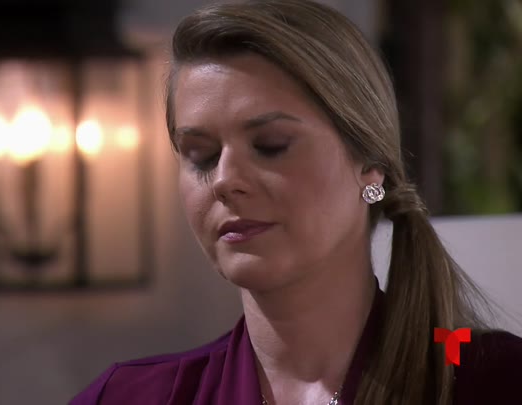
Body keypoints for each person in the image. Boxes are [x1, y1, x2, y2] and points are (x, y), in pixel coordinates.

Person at [70, 1, 522, 404]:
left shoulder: (495, 381)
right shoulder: (131, 397)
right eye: (201, 155)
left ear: (369, 164)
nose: (225, 180)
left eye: (271, 145)